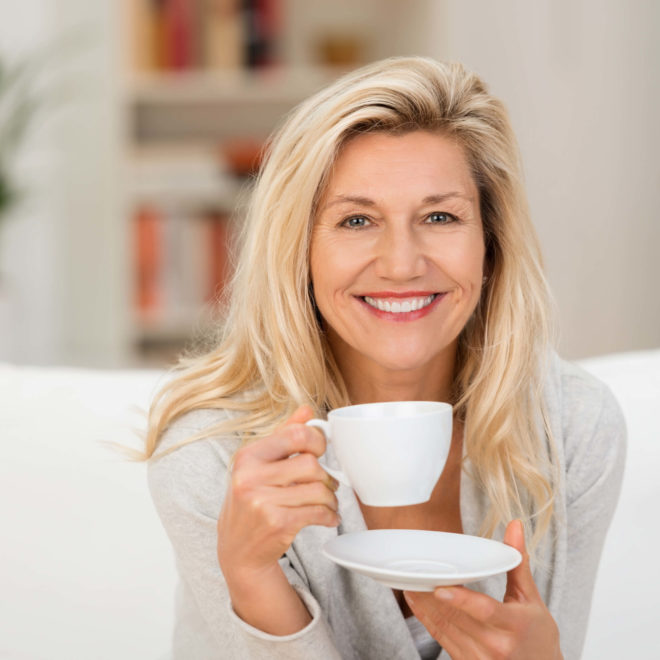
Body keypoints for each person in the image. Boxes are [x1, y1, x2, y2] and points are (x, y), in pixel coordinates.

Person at [143, 56, 626, 659]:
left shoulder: (571, 428)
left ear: (490, 245)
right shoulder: (210, 457)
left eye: (440, 216)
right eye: (357, 220)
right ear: (301, 253)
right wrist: (254, 583)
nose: (401, 263)